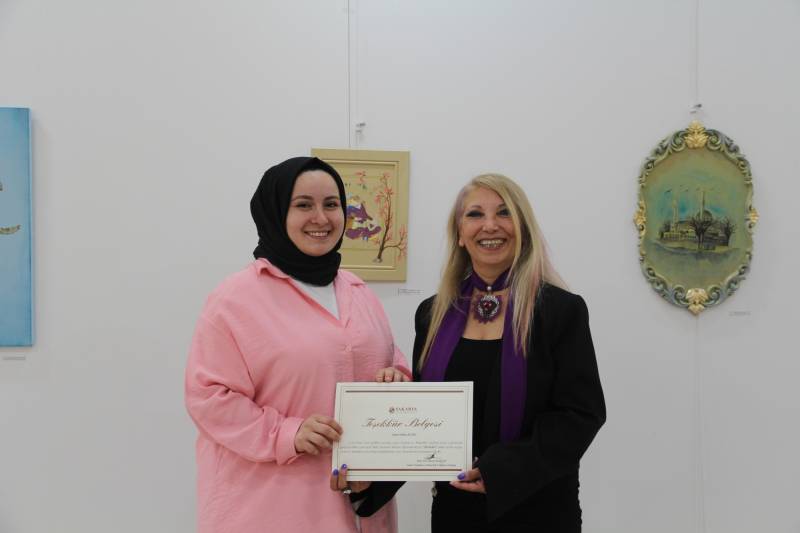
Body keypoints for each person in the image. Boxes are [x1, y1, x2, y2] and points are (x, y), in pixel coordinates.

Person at [185, 156, 409, 533]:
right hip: (268, 510)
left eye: (331, 204)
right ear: (275, 213)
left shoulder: (358, 291)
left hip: (360, 508)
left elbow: (390, 359)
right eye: (303, 205)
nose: (321, 218)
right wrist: (288, 433)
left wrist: (397, 377)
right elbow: (208, 397)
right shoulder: (236, 299)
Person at [412, 173, 606, 532]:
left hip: (539, 511)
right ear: (459, 233)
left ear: (522, 228)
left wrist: (500, 471)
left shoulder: (560, 311)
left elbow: (580, 414)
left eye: (504, 213)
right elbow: (420, 419)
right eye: (475, 214)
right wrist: (367, 480)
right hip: (455, 513)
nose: (490, 225)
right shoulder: (431, 314)